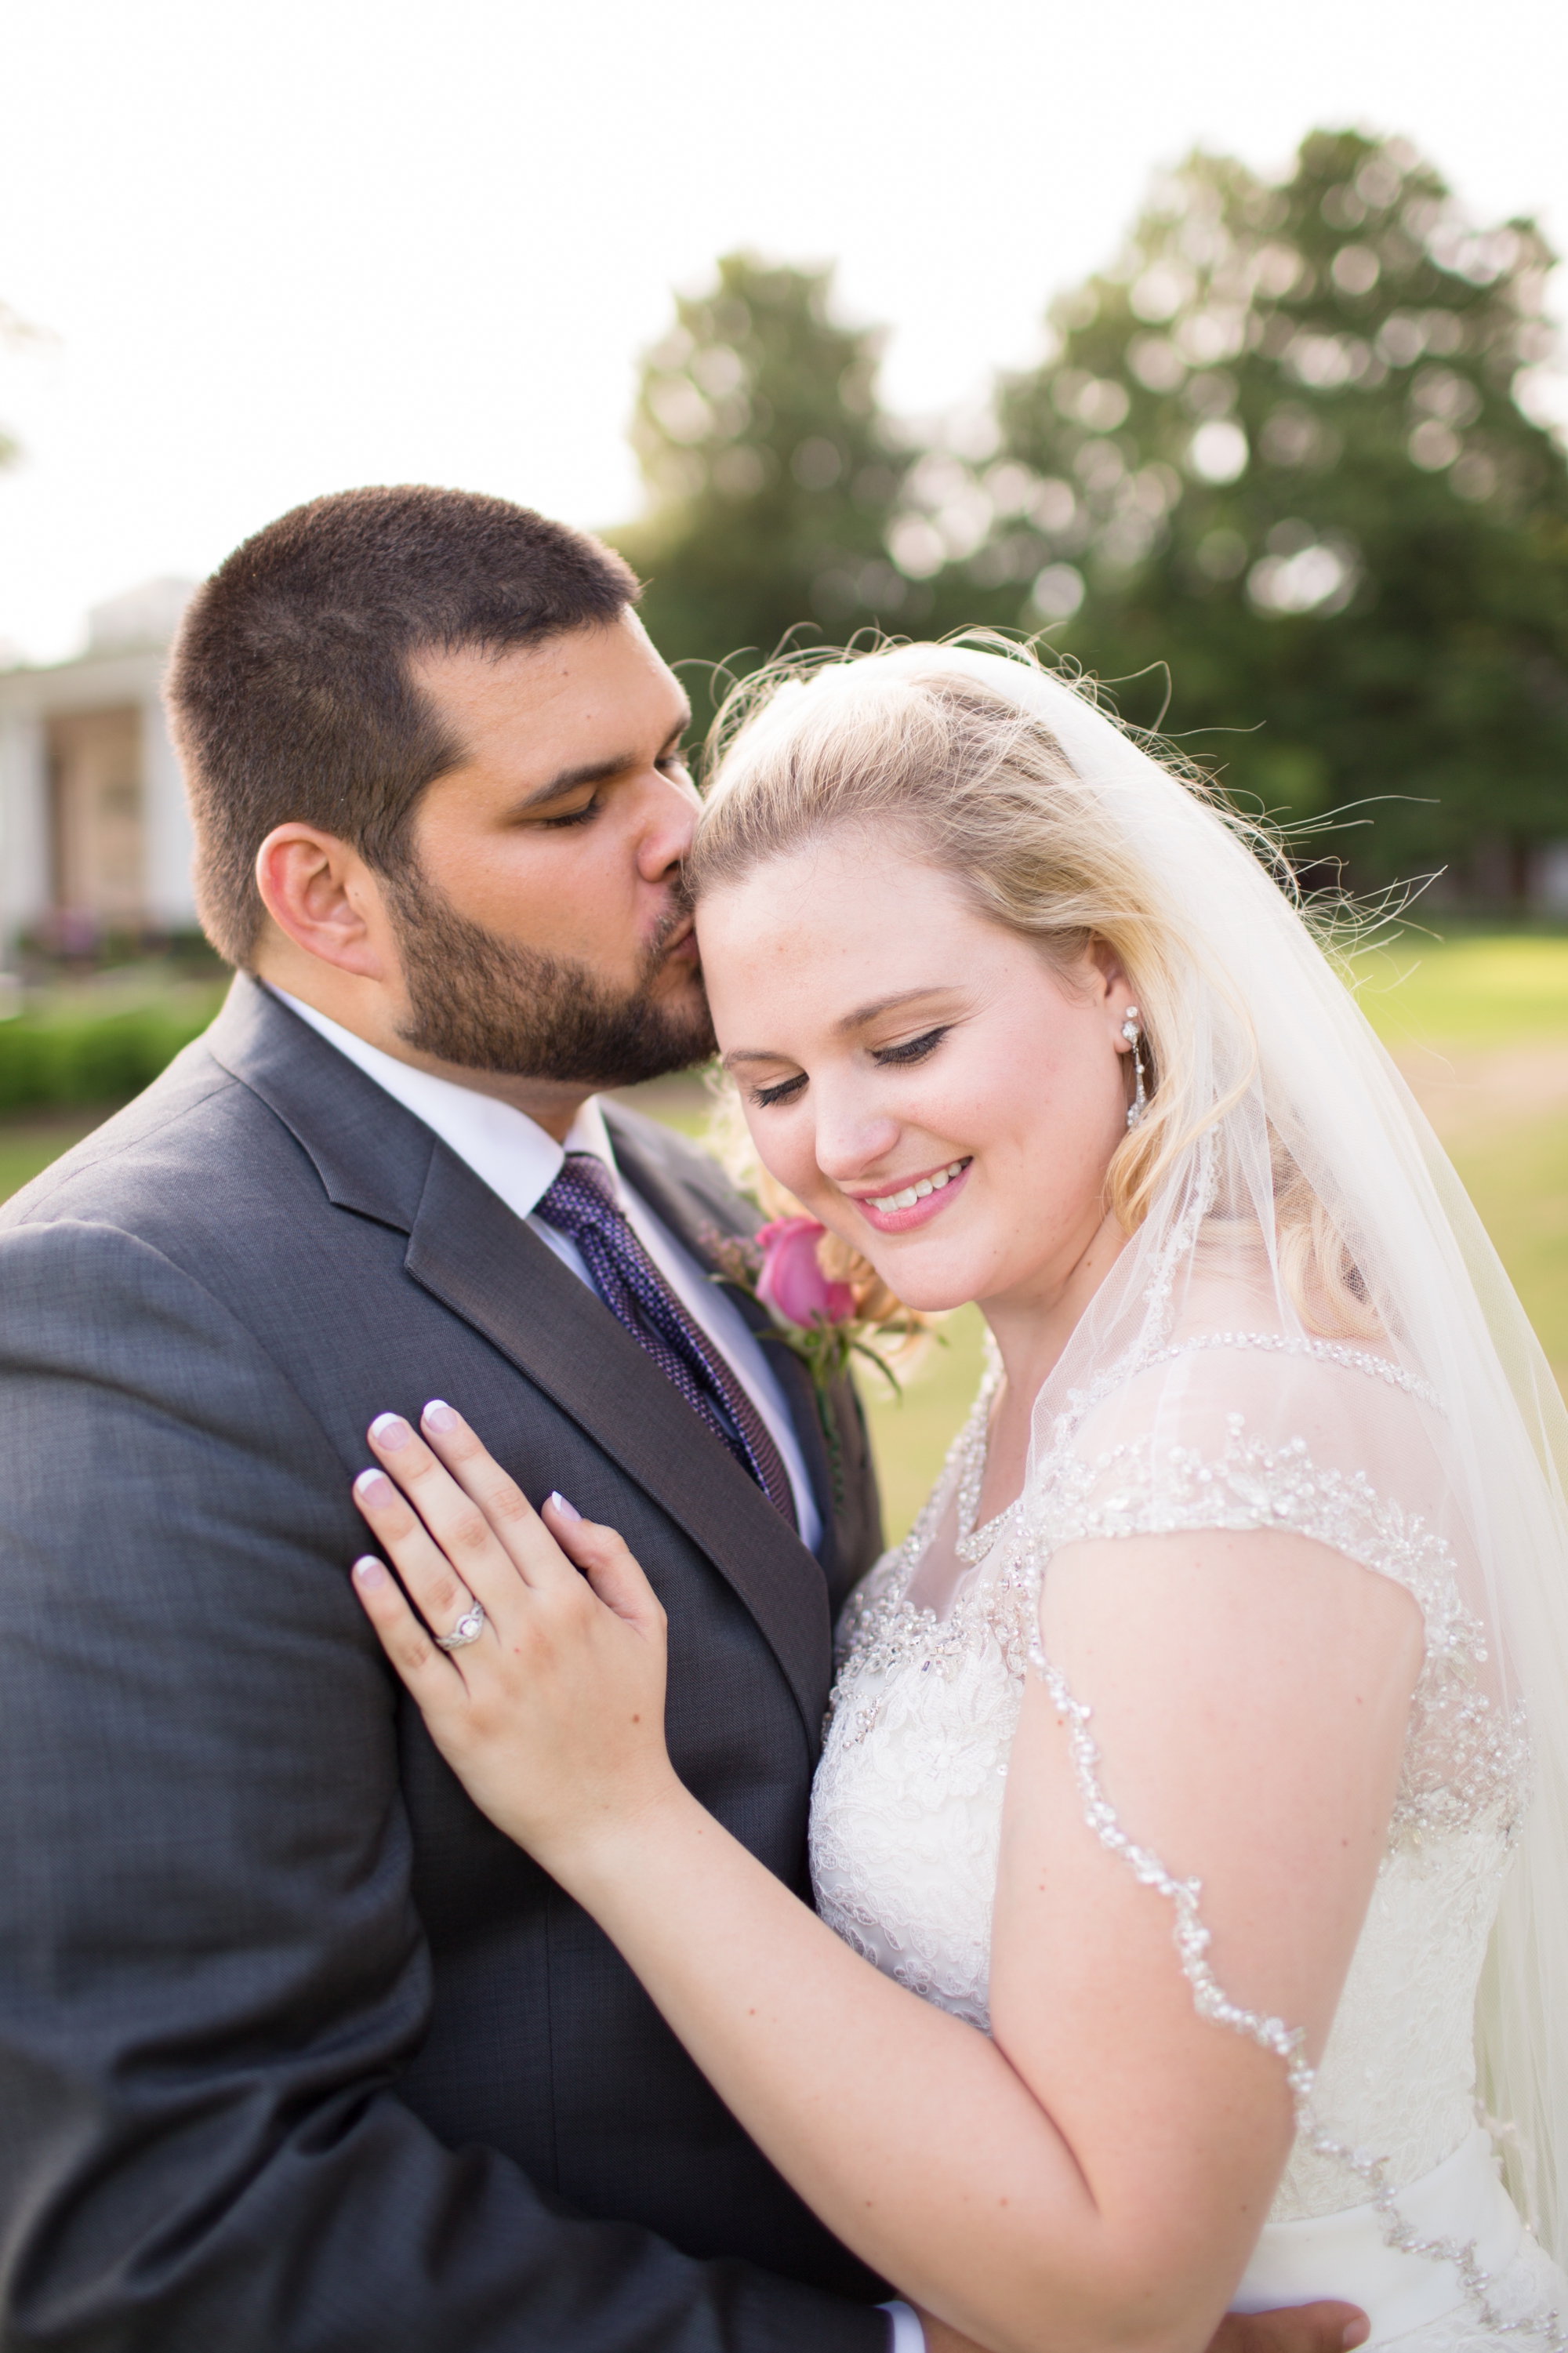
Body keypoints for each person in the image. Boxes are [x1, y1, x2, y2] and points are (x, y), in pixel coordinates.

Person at [0, 492, 1351, 2353]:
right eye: (572, 807)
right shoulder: (129, 1313)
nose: (682, 838)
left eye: (669, 755)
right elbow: (166, 2211)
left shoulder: (705, 1200)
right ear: (325, 894)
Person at [344, 639, 1568, 2353]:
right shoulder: (1055, 1381)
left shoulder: (1219, 1439)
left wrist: (614, 1819)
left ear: (1109, 973)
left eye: (903, 1039)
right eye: (769, 1081)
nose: (837, 1140)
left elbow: (1110, 2277)